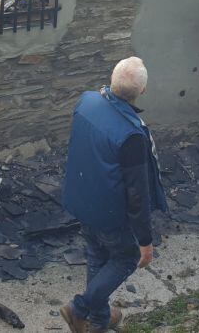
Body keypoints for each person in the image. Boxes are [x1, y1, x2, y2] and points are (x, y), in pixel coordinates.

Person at [60, 57, 168, 333]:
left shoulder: (86, 102)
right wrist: (145, 241)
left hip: (84, 200)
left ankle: (99, 321)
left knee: (97, 255)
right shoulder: (132, 135)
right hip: (110, 214)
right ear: (142, 92)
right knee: (123, 258)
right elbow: (137, 194)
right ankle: (80, 308)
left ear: (111, 78)